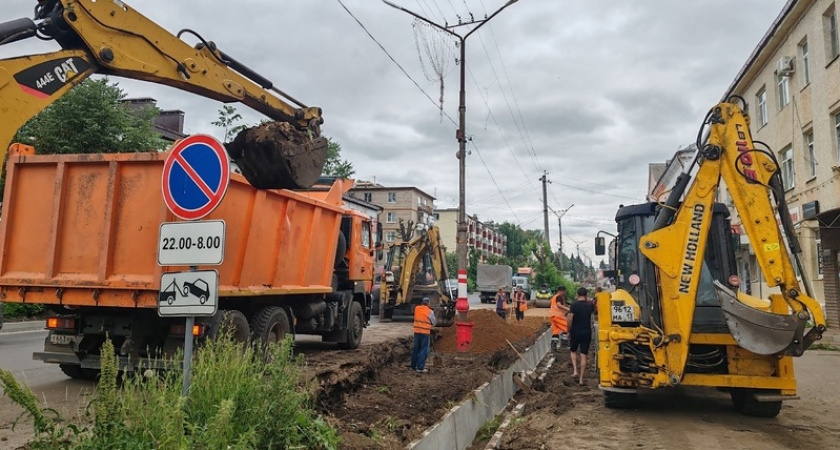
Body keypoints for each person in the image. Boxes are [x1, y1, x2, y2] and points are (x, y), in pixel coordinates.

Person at [568, 287, 596, 384]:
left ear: (577, 294)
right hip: (586, 331)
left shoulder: (574, 305)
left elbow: (570, 319)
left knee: (573, 351)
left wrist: (568, 331)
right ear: (586, 294)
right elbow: (595, 312)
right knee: (584, 355)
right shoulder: (589, 305)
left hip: (575, 331)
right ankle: (581, 380)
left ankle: (575, 371)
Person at [410, 297, 436, 374]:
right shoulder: (430, 311)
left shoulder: (417, 308)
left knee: (416, 349)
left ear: (422, 302)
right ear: (428, 303)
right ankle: (420, 367)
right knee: (424, 350)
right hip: (425, 333)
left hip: (417, 331)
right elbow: (434, 322)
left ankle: (413, 366)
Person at [548, 286, 569, 351]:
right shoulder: (559, 296)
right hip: (558, 316)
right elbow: (558, 305)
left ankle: (553, 346)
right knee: (567, 327)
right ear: (562, 291)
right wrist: (568, 309)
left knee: (555, 331)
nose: (565, 293)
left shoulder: (554, 296)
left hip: (552, 316)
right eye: (564, 291)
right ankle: (564, 344)